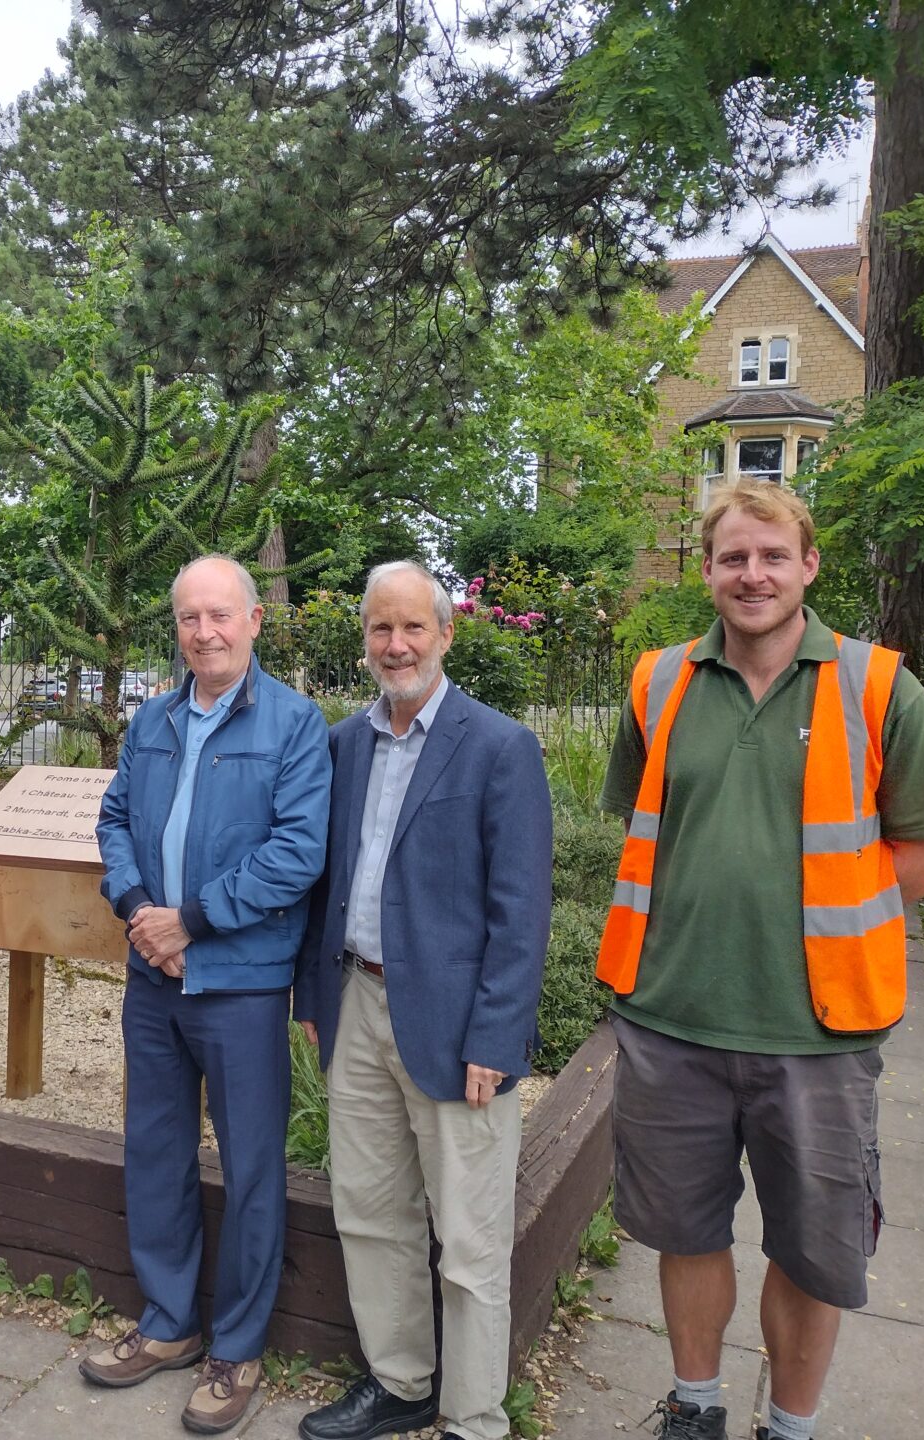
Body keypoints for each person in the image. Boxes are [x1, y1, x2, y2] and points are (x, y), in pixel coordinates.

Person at [595, 481, 924, 1440]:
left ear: (808, 565)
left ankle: (790, 1427)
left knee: (813, 1252)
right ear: (708, 570)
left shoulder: (878, 686)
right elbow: (648, 823)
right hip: (670, 1017)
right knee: (685, 1234)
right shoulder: (658, 681)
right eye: (731, 557)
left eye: (771, 556)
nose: (751, 574)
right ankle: (696, 1407)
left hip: (820, 1031)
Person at [293, 561, 553, 1440]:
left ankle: (474, 1416)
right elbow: (324, 884)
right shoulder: (343, 743)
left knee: (471, 1239)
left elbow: (521, 911)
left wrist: (499, 1036)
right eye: (379, 629)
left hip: (453, 1025)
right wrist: (313, 1000)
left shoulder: (499, 746)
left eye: (413, 628)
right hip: (356, 1006)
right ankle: (400, 1382)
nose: (395, 645)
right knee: (369, 1211)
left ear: (446, 634)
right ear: (363, 638)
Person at [86, 554, 331, 1436]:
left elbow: (298, 853)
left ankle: (238, 1347)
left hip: (241, 984)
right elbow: (114, 819)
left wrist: (192, 920)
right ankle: (167, 1324)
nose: (205, 633)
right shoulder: (153, 720)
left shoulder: (296, 724)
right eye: (190, 618)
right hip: (154, 980)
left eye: (221, 616)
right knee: (154, 1151)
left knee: (253, 1166)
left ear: (255, 620)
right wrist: (136, 910)